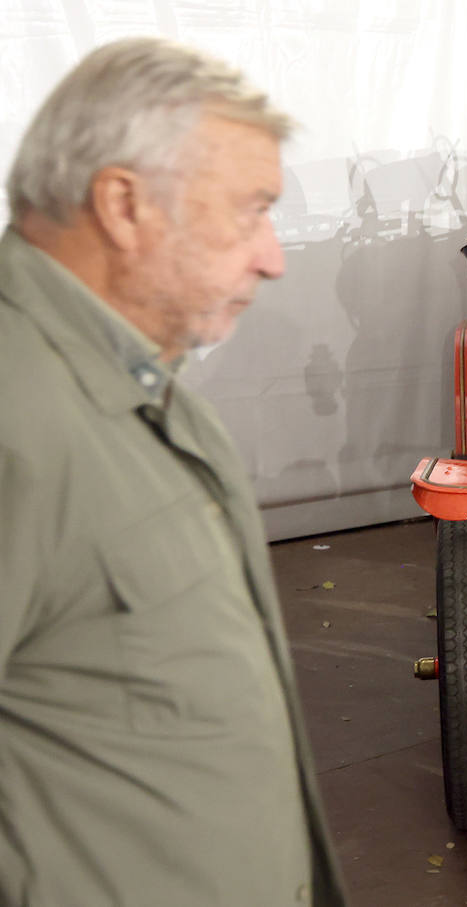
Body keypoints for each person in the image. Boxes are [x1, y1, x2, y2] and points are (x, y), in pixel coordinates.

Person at [0, 38, 347, 904]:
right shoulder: (18, 413)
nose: (273, 256)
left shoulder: (154, 390)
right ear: (123, 205)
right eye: (250, 210)